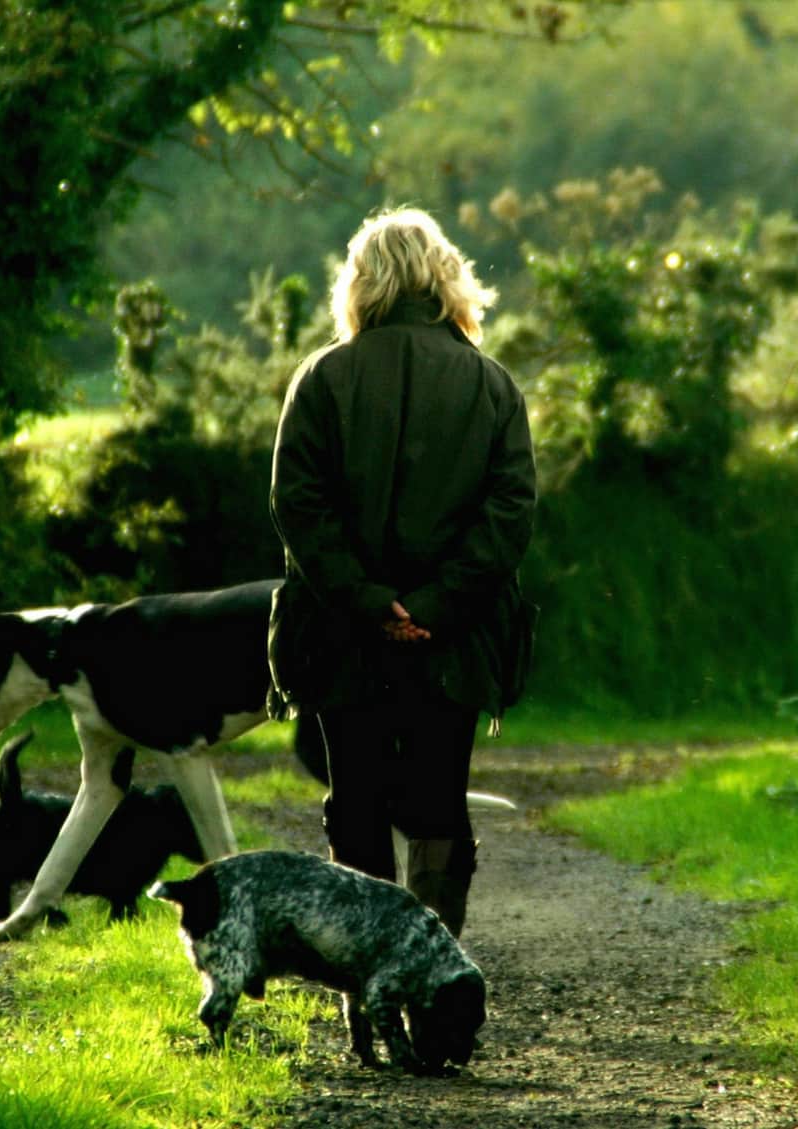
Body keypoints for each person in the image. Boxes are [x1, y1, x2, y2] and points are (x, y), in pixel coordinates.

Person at [267, 206, 537, 938]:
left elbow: (298, 506)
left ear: (359, 285)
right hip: (454, 641)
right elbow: (510, 511)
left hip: (341, 634)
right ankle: (434, 977)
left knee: (353, 802)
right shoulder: (492, 385)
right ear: (446, 279)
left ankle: (366, 983)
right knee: (440, 803)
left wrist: (371, 600)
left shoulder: (320, 379)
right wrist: (434, 605)